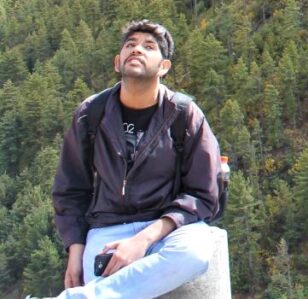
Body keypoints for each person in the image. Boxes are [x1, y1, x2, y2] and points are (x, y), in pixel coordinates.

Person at [49, 20, 221, 298]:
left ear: (163, 67)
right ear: (118, 62)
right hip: (107, 228)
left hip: (169, 225)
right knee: (101, 273)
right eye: (130, 45)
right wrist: (75, 248)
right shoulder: (91, 113)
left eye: (148, 46)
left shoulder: (184, 114)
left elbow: (204, 194)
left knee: (195, 253)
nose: (137, 49)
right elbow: (71, 189)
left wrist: (144, 239)